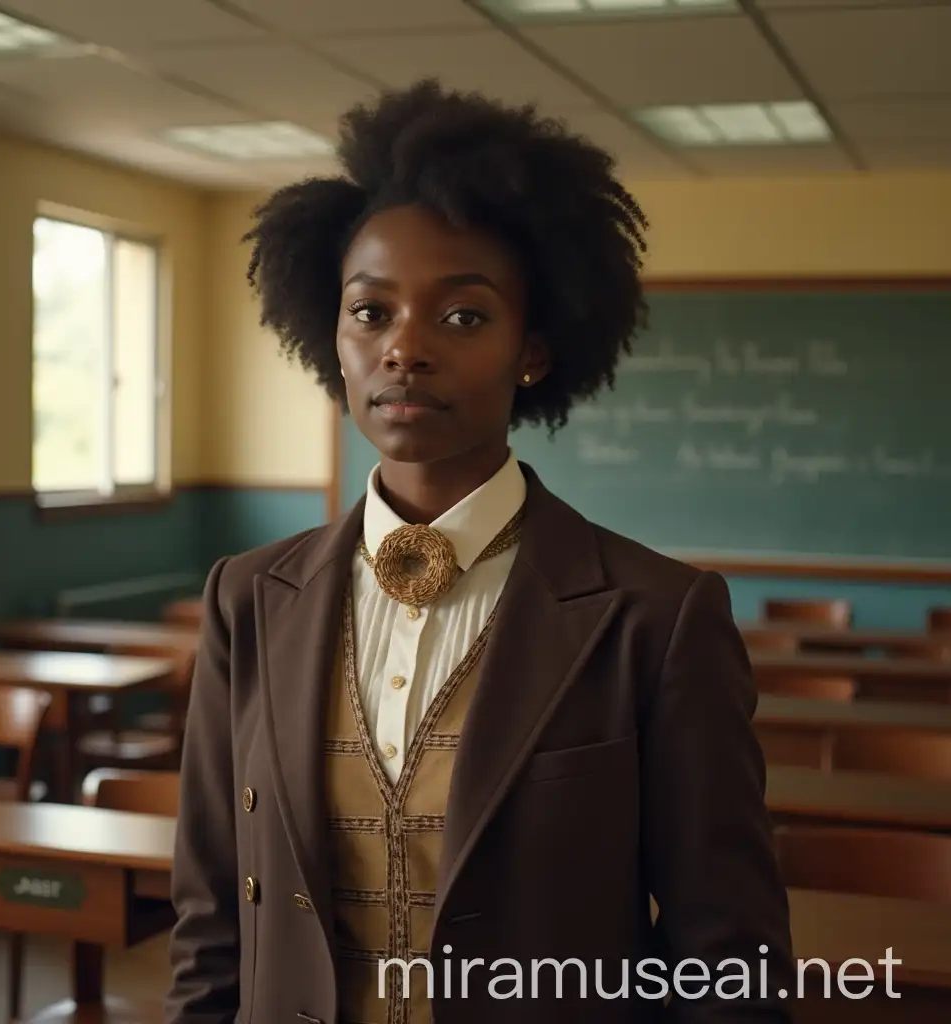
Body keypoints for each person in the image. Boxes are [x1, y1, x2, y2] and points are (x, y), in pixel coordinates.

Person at [164, 79, 794, 1024]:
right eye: (370, 312)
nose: (404, 349)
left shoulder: (655, 618)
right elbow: (213, 923)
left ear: (532, 351)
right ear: (330, 335)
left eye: (461, 317)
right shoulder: (248, 597)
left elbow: (728, 958)